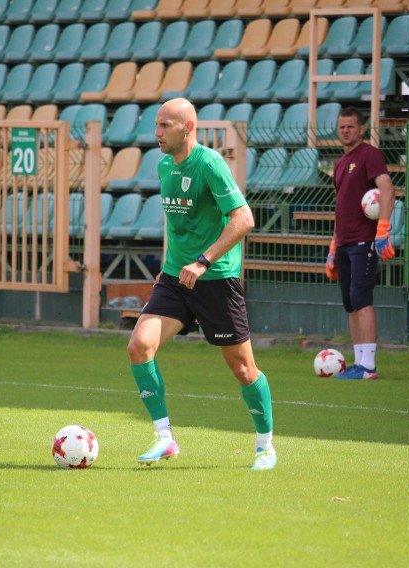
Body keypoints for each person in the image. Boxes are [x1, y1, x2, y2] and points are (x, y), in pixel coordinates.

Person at [126, 98, 276, 471]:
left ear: (188, 127)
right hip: (176, 278)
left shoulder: (210, 164)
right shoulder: (163, 166)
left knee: (243, 370)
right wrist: (170, 267)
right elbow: (177, 227)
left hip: (215, 279)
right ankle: (165, 437)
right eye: (156, 125)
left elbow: (243, 219)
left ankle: (265, 446)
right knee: (139, 345)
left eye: (165, 125)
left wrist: (203, 260)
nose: (156, 132)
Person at [326, 107, 396, 380]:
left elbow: (387, 188)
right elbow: (339, 206)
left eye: (351, 126)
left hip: (364, 240)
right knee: (349, 302)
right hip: (344, 242)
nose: (345, 131)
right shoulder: (340, 163)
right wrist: (333, 247)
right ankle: (359, 362)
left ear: (361, 128)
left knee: (361, 298)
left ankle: (369, 366)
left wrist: (383, 228)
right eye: (342, 126)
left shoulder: (370, 155)